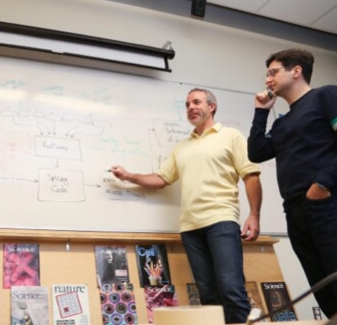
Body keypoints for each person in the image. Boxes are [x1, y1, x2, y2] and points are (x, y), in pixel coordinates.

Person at [111, 88, 262, 324]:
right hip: (190, 228)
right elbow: (161, 179)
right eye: (187, 104)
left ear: (211, 106)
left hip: (221, 220)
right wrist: (129, 176)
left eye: (197, 102)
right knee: (207, 294)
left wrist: (254, 215)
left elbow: (251, 176)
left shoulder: (231, 136)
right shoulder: (182, 147)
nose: (191, 107)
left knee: (231, 288)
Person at [248, 49, 337, 318]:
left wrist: (323, 183)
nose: (268, 80)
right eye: (267, 74)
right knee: (320, 284)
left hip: (327, 204)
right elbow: (256, 152)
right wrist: (261, 112)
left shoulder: (325, 96)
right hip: (295, 212)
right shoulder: (283, 122)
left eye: (273, 72)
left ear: (296, 71)